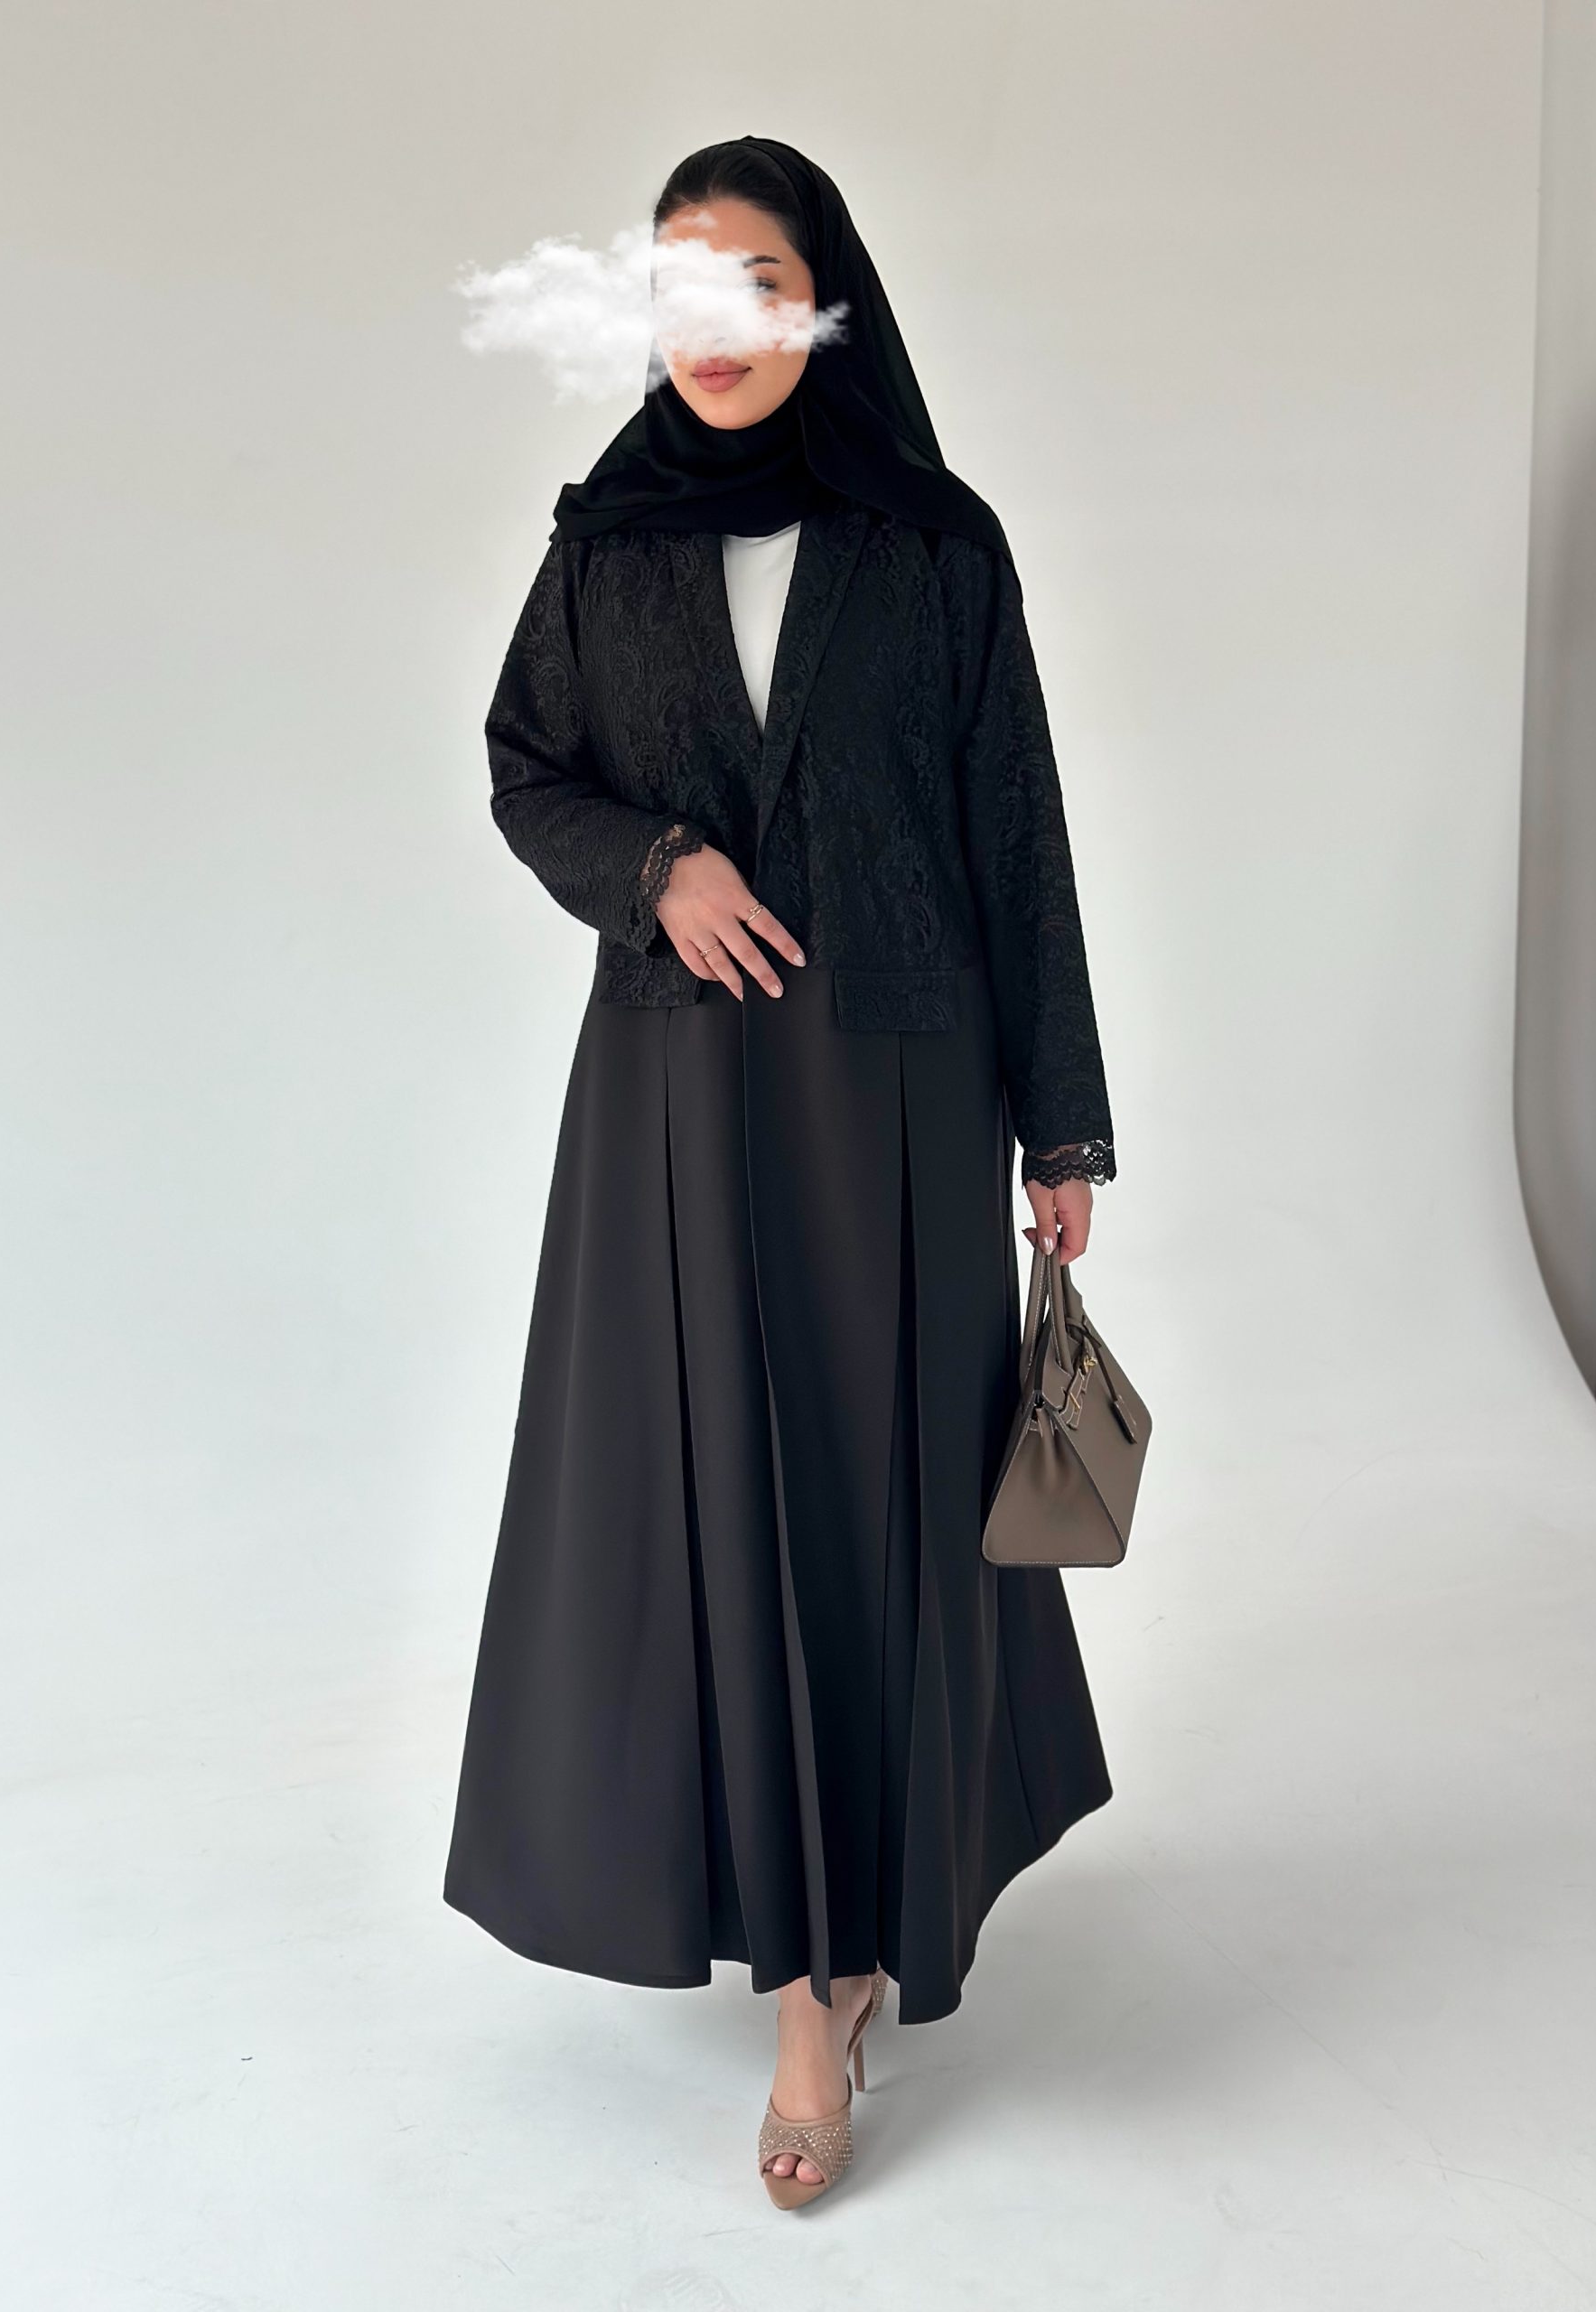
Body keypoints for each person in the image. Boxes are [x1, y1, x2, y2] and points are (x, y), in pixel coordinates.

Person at [443, 135, 1118, 2209]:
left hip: (898, 1096)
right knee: (718, 1503)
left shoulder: (933, 542)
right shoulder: (610, 539)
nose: (713, 326)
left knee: (878, 1507)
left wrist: (1062, 1119)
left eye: (753, 280)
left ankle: (848, 1953)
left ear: (824, 298)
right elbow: (526, 766)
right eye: (677, 288)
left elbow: (1016, 825)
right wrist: (658, 865)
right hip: (675, 1102)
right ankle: (801, 1972)